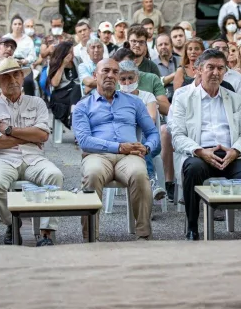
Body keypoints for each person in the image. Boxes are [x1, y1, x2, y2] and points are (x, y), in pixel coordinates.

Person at [170, 49, 241, 240]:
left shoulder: (234, 98)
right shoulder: (183, 97)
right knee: (193, 169)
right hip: (199, 154)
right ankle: (193, 228)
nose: (216, 72)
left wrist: (235, 151)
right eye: (210, 67)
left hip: (230, 154)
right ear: (198, 70)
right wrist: (200, 151)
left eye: (221, 68)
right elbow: (177, 135)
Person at [72, 58, 160, 241]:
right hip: (97, 155)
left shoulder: (134, 102)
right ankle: (91, 237)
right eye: (106, 71)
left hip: (129, 157)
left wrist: (147, 147)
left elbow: (152, 132)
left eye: (114, 72)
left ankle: (144, 235)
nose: (110, 75)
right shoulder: (83, 106)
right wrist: (119, 147)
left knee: (139, 173)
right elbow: (84, 141)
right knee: (93, 173)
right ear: (95, 75)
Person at [0, 57, 63, 246]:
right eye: (6, 76)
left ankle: (46, 233)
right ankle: (12, 222)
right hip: (3, 159)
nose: (12, 80)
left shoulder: (36, 103)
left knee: (54, 175)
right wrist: (29, 136)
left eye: (16, 74)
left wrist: (10, 130)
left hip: (33, 158)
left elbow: (42, 136)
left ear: (22, 77)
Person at [117, 60, 166, 200]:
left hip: (149, 142)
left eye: (130, 78)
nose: (127, 82)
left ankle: (149, 184)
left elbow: (150, 120)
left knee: (142, 144)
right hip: (125, 143)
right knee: (138, 145)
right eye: (123, 79)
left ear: (137, 77)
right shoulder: (115, 96)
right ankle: (151, 182)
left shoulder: (147, 96)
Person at [47, 42, 82, 129]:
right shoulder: (54, 63)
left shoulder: (78, 60)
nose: (72, 54)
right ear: (63, 53)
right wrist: (63, 65)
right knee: (77, 89)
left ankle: (73, 117)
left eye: (73, 52)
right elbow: (55, 84)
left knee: (77, 88)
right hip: (61, 94)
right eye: (70, 52)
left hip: (76, 93)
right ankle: (74, 119)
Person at [152, 33, 181, 102]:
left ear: (172, 45)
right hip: (161, 103)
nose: (163, 47)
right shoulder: (152, 65)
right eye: (160, 45)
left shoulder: (181, 61)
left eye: (166, 44)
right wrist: (177, 73)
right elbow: (153, 85)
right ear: (156, 47)